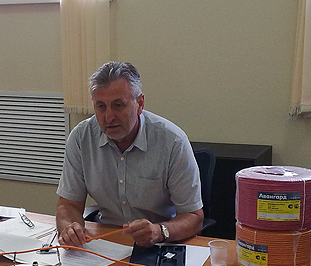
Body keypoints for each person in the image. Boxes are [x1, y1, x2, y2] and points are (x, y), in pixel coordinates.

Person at [56, 61, 204, 247]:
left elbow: (194, 217)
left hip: (160, 243)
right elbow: (68, 204)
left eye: (118, 105)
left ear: (140, 103)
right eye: (101, 106)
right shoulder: (81, 138)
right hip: (107, 241)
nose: (108, 117)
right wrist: (70, 228)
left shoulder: (172, 141)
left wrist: (159, 231)